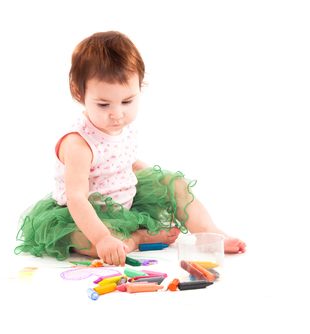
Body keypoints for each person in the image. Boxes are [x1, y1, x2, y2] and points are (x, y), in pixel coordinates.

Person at [15, 31, 246, 266]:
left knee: (175, 184)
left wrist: (160, 181)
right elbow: (77, 198)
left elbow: (125, 162)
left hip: (128, 201)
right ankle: (137, 238)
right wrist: (102, 238)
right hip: (87, 216)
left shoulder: (121, 126)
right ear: (78, 92)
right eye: (103, 104)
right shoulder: (78, 144)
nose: (117, 113)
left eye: (127, 101)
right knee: (94, 241)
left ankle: (210, 234)